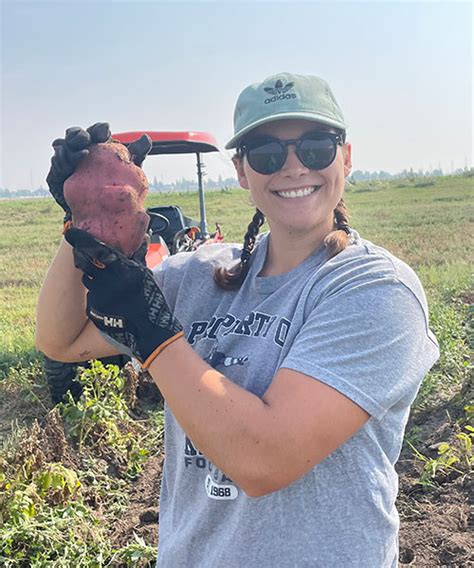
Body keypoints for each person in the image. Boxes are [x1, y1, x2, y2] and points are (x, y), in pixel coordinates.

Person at [36, 72, 440, 567]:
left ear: (346, 158)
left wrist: (156, 337)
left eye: (315, 147)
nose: (293, 168)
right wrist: (85, 214)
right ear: (243, 172)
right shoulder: (200, 276)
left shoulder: (374, 291)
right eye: (267, 154)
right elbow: (62, 340)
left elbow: (264, 460)